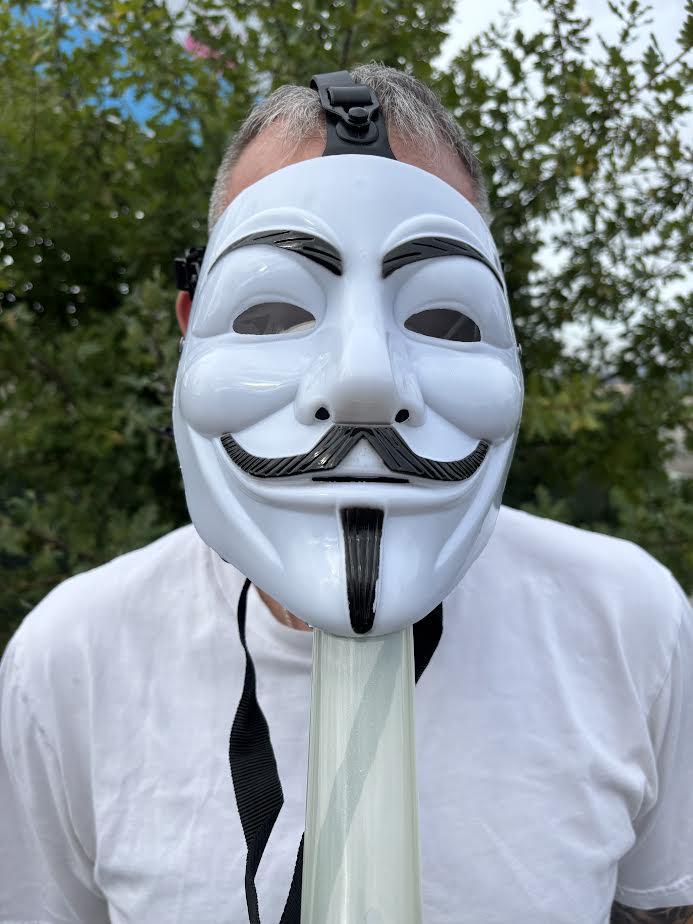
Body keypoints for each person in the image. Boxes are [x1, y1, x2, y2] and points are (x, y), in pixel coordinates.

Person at [1, 64, 692, 924]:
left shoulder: (628, 623)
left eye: (444, 318)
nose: (364, 381)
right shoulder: (70, 660)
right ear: (190, 326)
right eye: (272, 313)